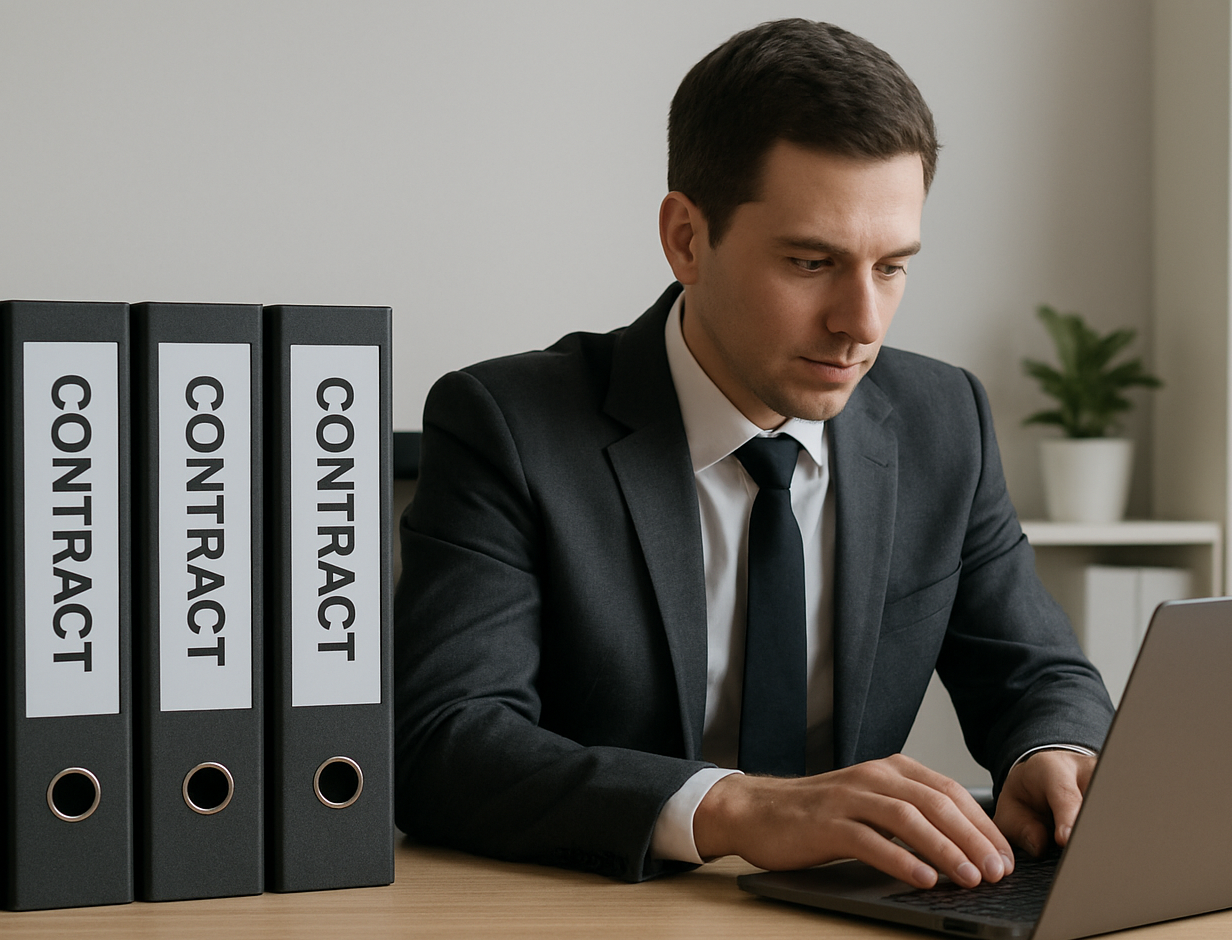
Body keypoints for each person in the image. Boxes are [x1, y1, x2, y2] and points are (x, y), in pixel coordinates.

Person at [393, 18, 1113, 887]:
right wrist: (736, 808)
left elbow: (1034, 670)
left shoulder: (941, 418)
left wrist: (1056, 750)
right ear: (687, 239)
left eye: (892, 267)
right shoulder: (509, 425)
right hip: (598, 936)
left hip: (856, 931)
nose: (863, 324)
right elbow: (444, 741)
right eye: (812, 263)